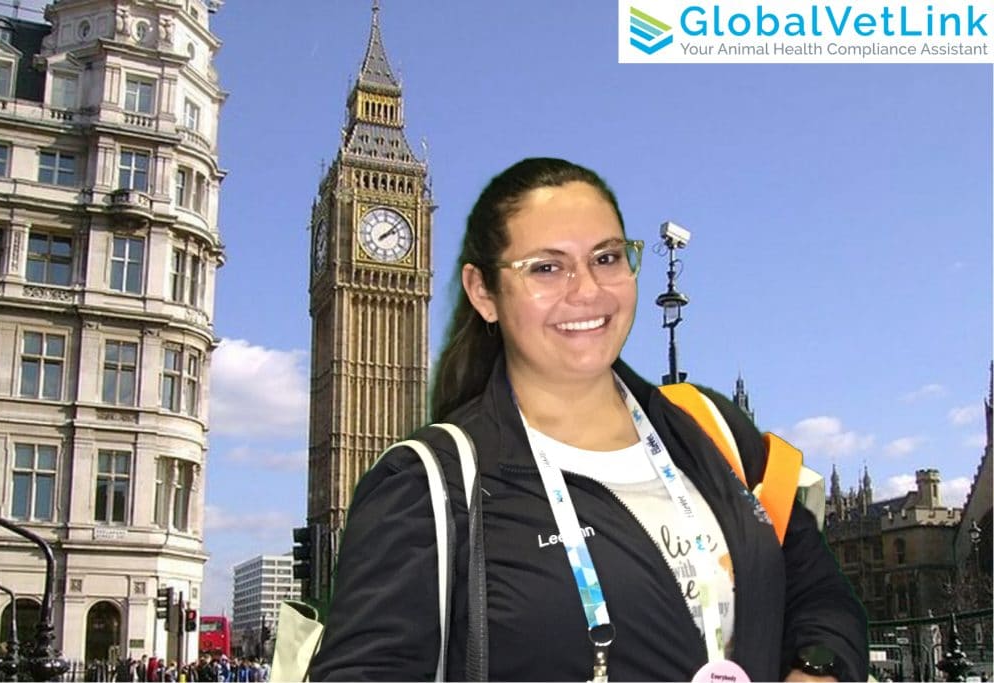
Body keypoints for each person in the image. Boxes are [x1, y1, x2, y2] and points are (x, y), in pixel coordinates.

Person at [312, 157, 868, 681]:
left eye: (606, 258)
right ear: (484, 293)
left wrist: (816, 668)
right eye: (547, 268)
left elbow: (821, 596)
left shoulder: (712, 430)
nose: (586, 290)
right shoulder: (429, 485)